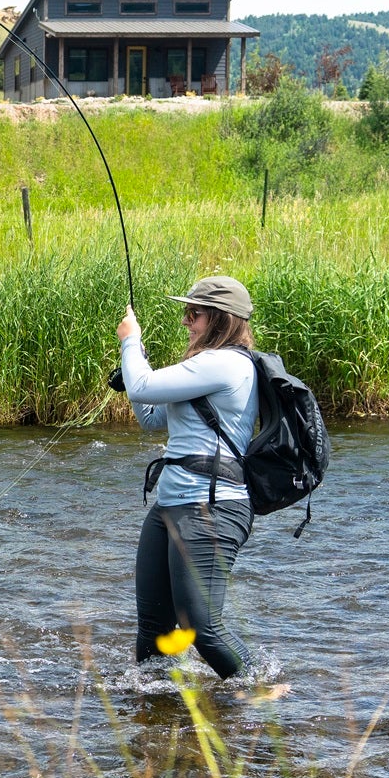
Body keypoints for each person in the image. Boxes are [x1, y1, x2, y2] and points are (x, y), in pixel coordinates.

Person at [116, 276, 260, 680]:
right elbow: (150, 416)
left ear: (219, 319)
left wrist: (131, 343)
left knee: (202, 629)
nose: (186, 321)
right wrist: (132, 364)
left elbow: (144, 385)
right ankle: (154, 710)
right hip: (171, 506)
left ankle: (263, 691)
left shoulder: (226, 363)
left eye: (193, 314)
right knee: (154, 631)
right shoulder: (204, 366)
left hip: (210, 509)